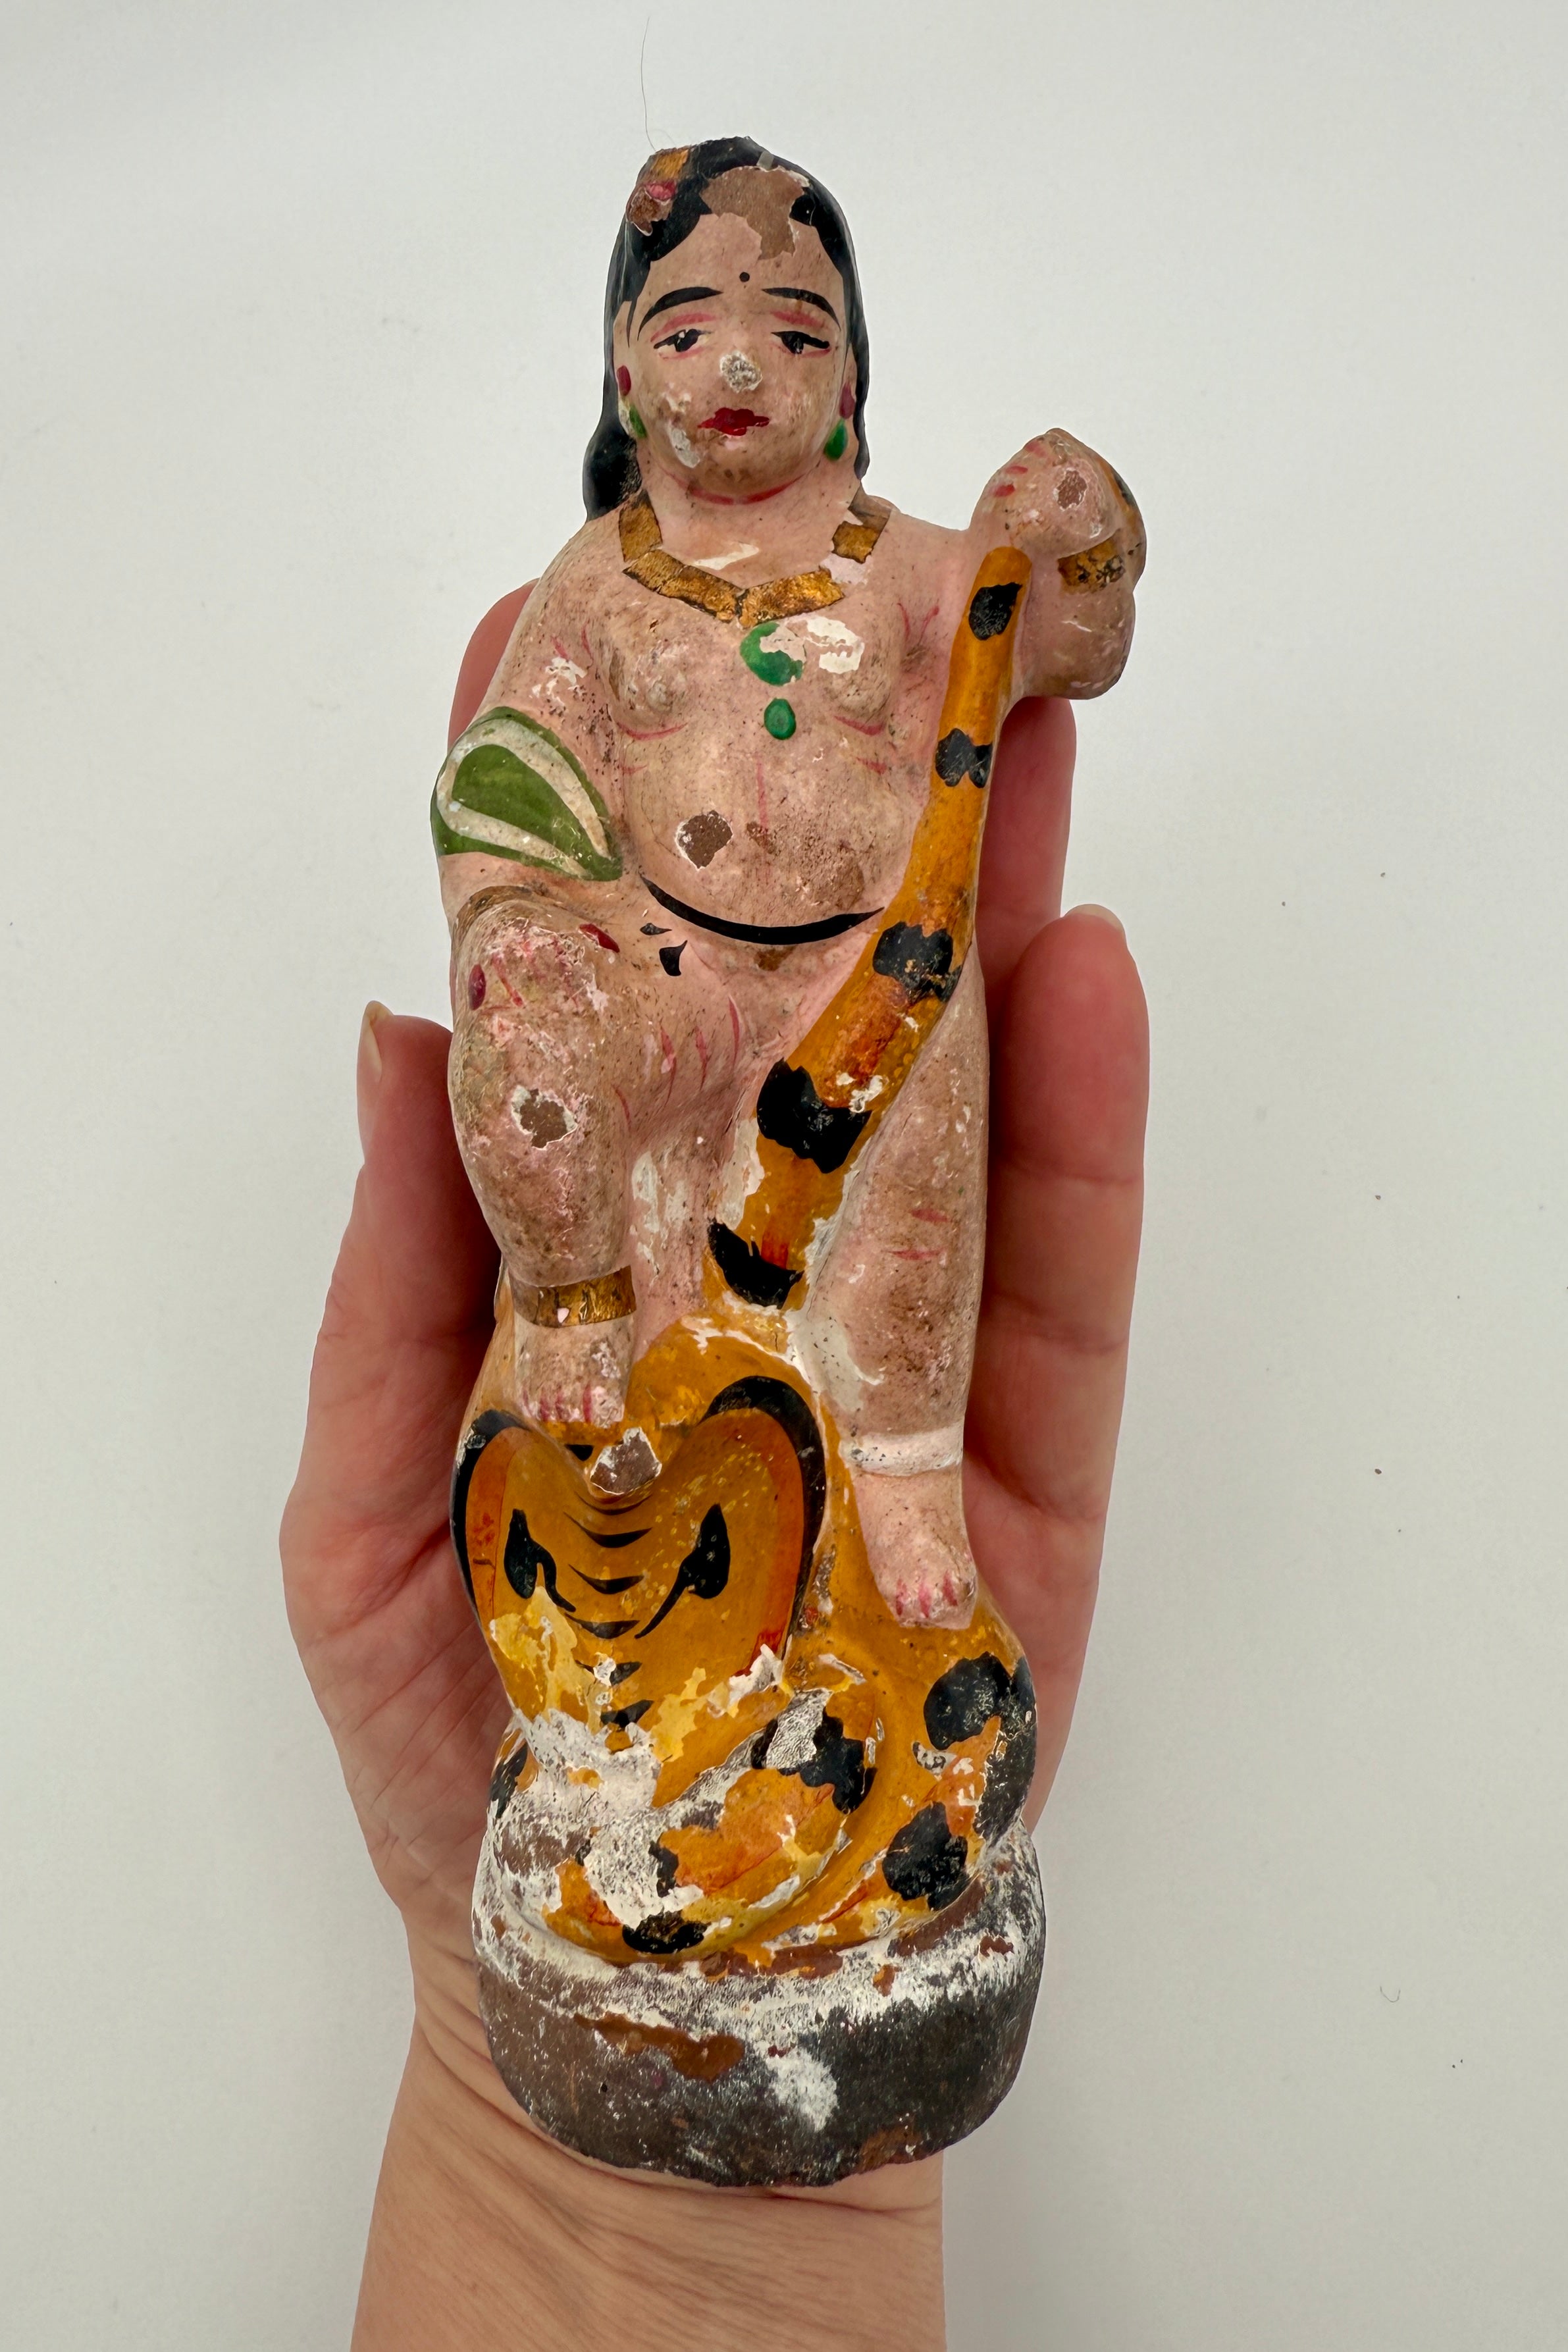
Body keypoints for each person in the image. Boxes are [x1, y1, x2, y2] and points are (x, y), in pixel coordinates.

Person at [280, 139, 1148, 2348]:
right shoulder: (591, 592)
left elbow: (1070, 636)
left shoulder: (911, 572)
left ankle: (898, 1481)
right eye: (686, 324)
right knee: (533, 1070)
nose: (737, 361)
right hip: (660, 982)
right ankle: (582, 1320)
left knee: (914, 1212)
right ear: (619, 368)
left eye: (792, 324)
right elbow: (505, 788)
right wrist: (536, 952)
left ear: (854, 374)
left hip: (872, 968)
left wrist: (1076, 534)